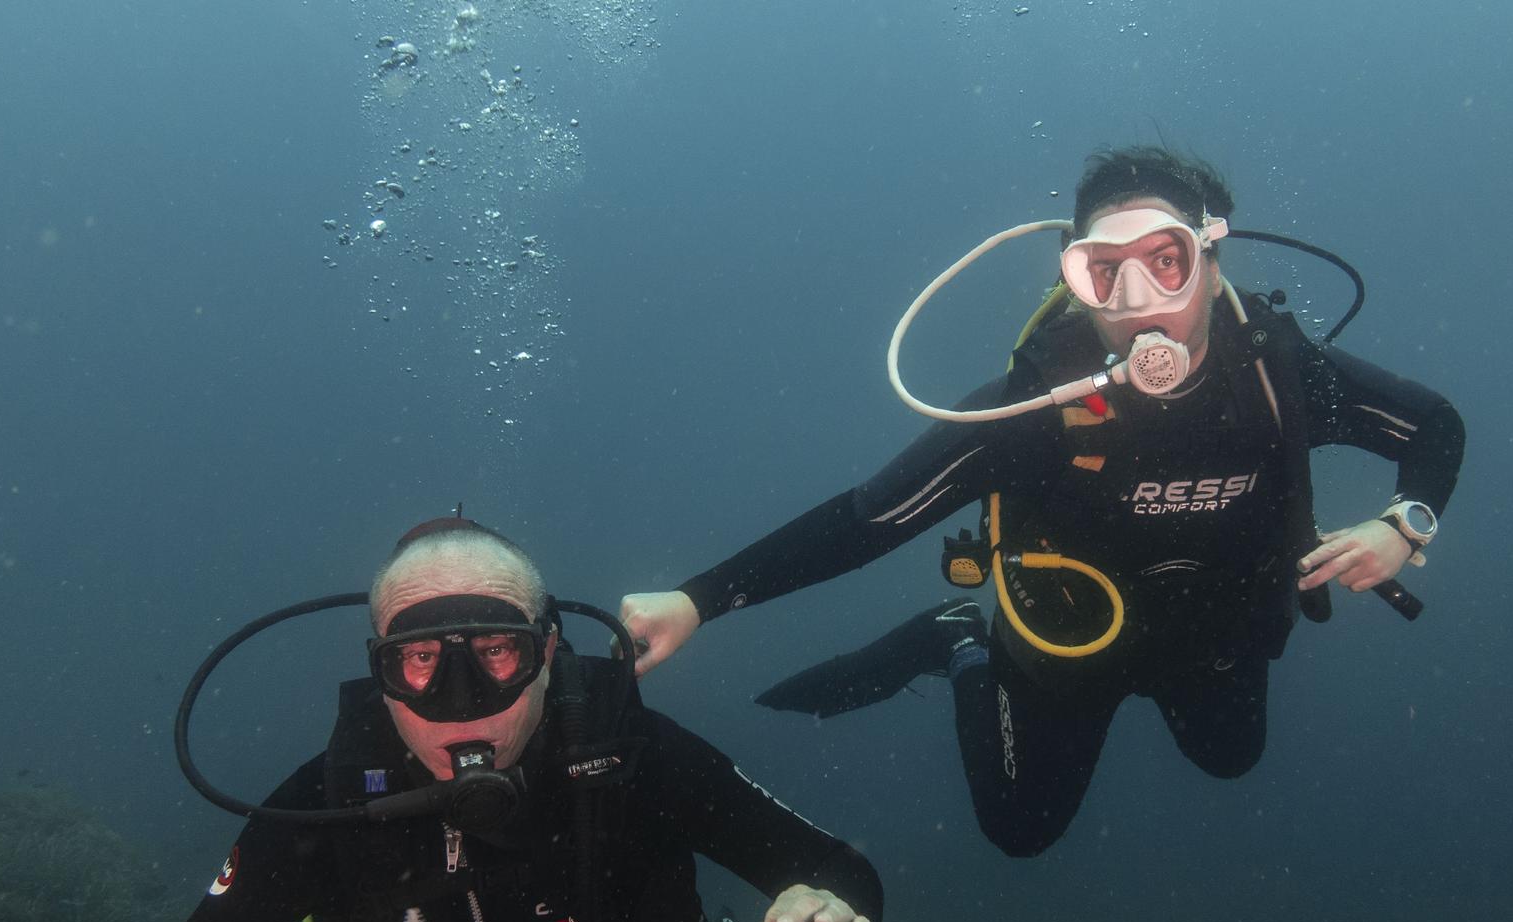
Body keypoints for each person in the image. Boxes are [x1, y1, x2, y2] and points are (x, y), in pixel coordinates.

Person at [619, 146, 1465, 858]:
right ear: (1077, 280)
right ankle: (956, 643)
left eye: (1165, 261)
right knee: (1020, 830)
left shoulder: (1280, 375)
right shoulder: (1036, 409)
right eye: (1104, 274)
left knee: (1231, 760)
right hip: (1068, 645)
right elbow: (869, 519)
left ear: (1212, 263)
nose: (1138, 304)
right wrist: (699, 600)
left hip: (1218, 634)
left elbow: (1432, 425)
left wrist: (1406, 521)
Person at [124, 518, 880, 922]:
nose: (464, 699)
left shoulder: (633, 753)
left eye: (497, 651)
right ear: (380, 673)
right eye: (419, 659)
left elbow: (838, 869)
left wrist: (838, 914)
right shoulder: (330, 801)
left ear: (548, 651)